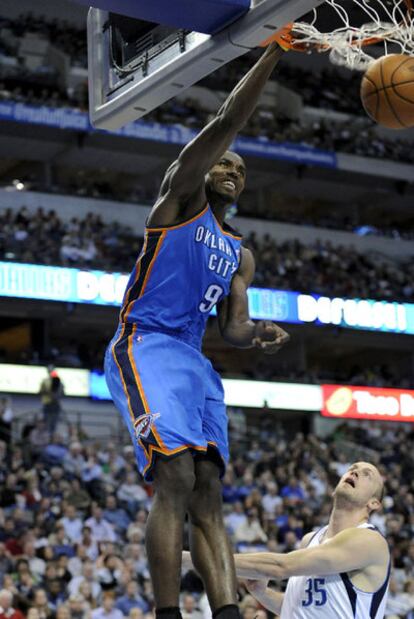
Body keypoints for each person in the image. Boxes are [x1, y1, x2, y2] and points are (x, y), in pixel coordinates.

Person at [105, 42, 289, 619]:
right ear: (203, 167)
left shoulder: (241, 253)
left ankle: (226, 612)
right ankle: (167, 613)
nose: (232, 171)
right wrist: (275, 49)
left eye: (240, 170)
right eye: (224, 163)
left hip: (193, 362)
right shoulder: (178, 200)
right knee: (176, 476)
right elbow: (227, 119)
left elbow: (231, 330)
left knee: (209, 490)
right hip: (145, 343)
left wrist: (255, 333)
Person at [202, 462, 389, 619]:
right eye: (352, 468)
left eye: (367, 475)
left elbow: (280, 567)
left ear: (374, 503)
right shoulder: (310, 540)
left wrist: (193, 558)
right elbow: (296, 605)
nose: (354, 471)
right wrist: (262, 593)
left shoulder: (371, 541)